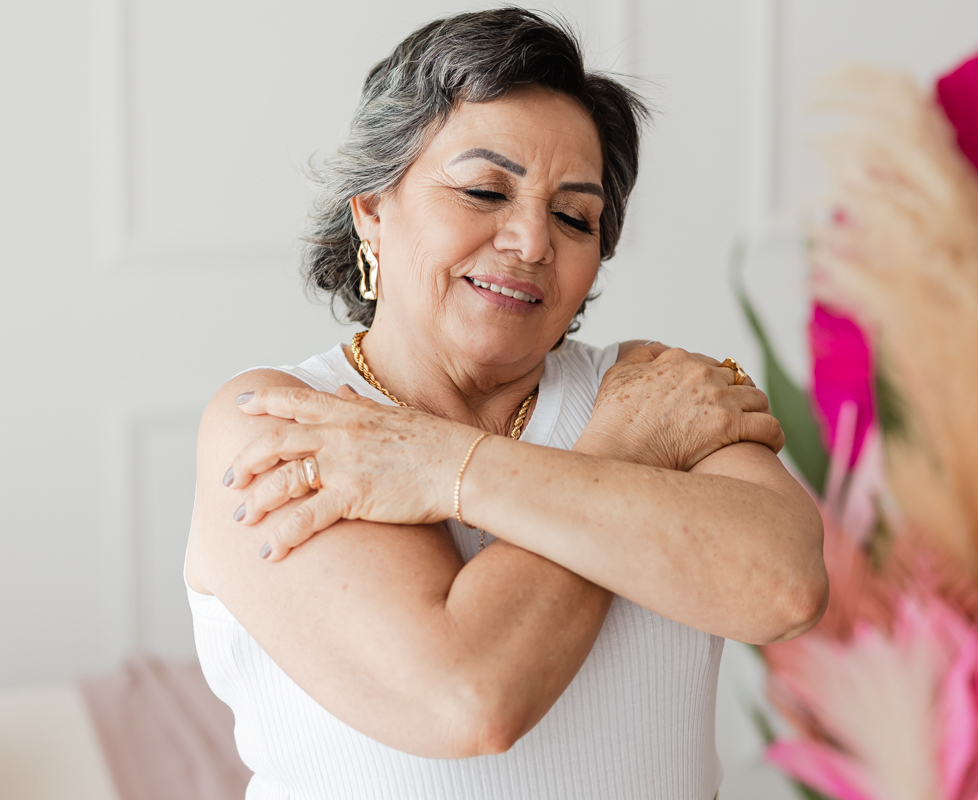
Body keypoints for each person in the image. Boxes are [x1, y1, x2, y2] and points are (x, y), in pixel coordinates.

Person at [185, 8, 827, 799]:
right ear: (371, 213)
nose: (532, 242)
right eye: (486, 189)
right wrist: (620, 452)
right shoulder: (284, 419)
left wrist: (444, 466)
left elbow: (785, 588)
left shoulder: (654, 392)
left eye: (574, 215)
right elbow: (466, 697)